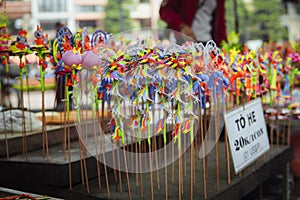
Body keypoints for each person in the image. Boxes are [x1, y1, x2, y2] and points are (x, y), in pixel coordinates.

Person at [159, 0, 227, 46]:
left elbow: (220, 22)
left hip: (208, 42)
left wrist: (223, 44)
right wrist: (181, 26)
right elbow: (164, 10)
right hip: (184, 42)